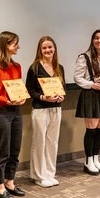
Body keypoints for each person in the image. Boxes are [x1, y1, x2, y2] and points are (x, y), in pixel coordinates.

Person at [0, 31, 26, 198]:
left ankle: (10, 182)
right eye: (15, 44)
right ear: (5, 45)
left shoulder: (17, 67)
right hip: (0, 112)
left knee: (15, 149)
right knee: (3, 151)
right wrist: (7, 101)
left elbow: (17, 89)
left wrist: (21, 97)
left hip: (16, 112)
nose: (18, 47)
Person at [26, 36, 65, 187]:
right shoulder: (34, 68)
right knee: (39, 142)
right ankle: (38, 175)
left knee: (52, 142)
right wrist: (43, 97)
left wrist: (61, 95)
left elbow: (64, 89)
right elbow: (29, 91)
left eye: (50, 47)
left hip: (56, 108)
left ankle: (50, 173)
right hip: (40, 109)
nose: (48, 50)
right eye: (44, 48)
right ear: (40, 50)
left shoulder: (59, 68)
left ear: (54, 48)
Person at [74, 29, 100, 175]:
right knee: (91, 131)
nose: (99, 41)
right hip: (90, 95)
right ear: (92, 40)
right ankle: (88, 161)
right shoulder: (84, 57)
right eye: (97, 38)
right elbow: (77, 78)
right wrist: (91, 84)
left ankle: (96, 159)